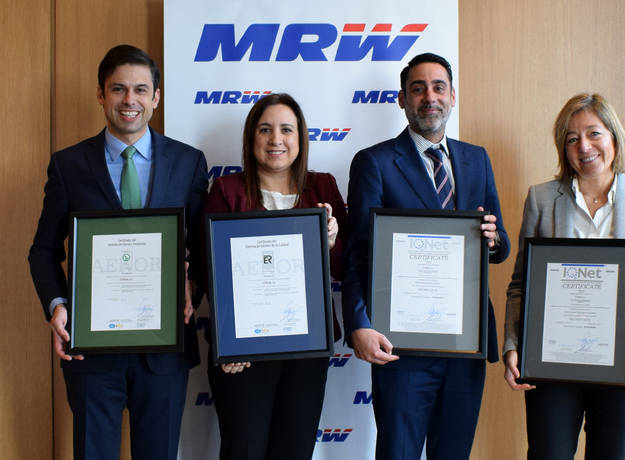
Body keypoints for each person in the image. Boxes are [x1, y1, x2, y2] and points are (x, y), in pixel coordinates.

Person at [28, 44, 208, 460]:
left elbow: (202, 246)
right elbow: (43, 249)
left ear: (156, 98)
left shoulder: (188, 162)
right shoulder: (68, 165)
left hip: (164, 352)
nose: (130, 101)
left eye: (141, 90)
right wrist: (57, 304)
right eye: (119, 89)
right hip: (91, 350)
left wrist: (192, 283)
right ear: (101, 94)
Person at [342, 52, 510, 459]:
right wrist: (359, 324)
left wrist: (493, 240)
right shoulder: (375, 163)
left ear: (453, 97)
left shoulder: (477, 159)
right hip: (402, 345)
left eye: (438, 87)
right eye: (417, 88)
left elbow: (500, 243)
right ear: (402, 99)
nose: (429, 97)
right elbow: (357, 254)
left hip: (466, 342)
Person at [503, 93, 625, 460]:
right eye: (571, 138)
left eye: (594, 133)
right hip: (552, 367)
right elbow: (521, 284)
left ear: (614, 137)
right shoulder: (541, 199)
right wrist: (512, 345)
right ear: (563, 148)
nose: (584, 146)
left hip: (623, 369)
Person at [204, 93, 346, 460]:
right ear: (251, 138)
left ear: (301, 138)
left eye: (286, 129)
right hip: (244, 355)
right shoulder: (226, 191)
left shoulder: (323, 188)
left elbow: (349, 265)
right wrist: (227, 344)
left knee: (295, 450)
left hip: (306, 350)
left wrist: (331, 243)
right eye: (265, 130)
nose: (276, 139)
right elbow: (212, 270)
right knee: (243, 450)